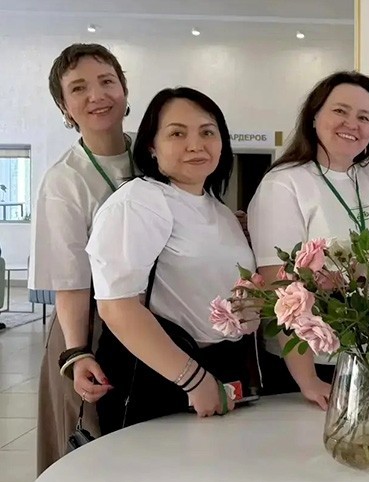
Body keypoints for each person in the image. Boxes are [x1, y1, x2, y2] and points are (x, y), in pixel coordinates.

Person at [85, 87, 259, 433]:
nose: (196, 145)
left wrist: (251, 313)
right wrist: (193, 379)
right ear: (152, 145)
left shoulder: (219, 210)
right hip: (163, 378)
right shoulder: (140, 202)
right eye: (177, 134)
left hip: (221, 369)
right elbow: (117, 307)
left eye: (207, 132)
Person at [248, 71, 369, 409]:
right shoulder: (284, 183)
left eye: (364, 117)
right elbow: (281, 289)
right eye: (340, 111)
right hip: (314, 365)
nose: (352, 124)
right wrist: (307, 380)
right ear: (314, 116)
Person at [31, 43, 134, 474]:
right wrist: (76, 353)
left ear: (125, 90)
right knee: (97, 450)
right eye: (78, 88)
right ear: (64, 107)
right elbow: (70, 280)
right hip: (93, 325)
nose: (97, 95)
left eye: (107, 81)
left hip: (154, 318)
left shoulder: (152, 154)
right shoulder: (66, 179)